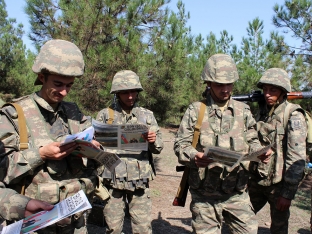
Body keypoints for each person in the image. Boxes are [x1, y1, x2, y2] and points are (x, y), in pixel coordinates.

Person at [0, 39, 101, 233]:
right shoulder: (14, 115)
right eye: (58, 84)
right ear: (41, 77)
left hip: (75, 221)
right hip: (34, 222)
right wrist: (42, 154)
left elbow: (96, 150)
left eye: (69, 85)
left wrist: (93, 150)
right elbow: (3, 168)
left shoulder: (74, 112)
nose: (64, 91)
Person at [174, 53, 271, 234]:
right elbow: (180, 144)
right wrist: (195, 156)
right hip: (205, 196)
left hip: (236, 193)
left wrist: (260, 152)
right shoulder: (196, 110)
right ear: (209, 84)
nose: (225, 89)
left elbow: (252, 139)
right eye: (219, 84)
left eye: (229, 84)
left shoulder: (243, 111)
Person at [96, 70, 163, 234]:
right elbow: (95, 148)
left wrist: (153, 141)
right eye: (125, 92)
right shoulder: (106, 116)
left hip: (139, 180)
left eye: (133, 91)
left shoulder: (147, 116)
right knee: (113, 228)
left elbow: (159, 147)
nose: (130, 96)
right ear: (117, 93)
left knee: (143, 228)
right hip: (112, 180)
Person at [248, 68, 307, 234]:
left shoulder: (293, 115)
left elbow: (297, 157)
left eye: (272, 90)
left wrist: (288, 193)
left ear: (283, 91)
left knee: (279, 229)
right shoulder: (261, 112)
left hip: (279, 186)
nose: (267, 94)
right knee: (241, 221)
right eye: (265, 89)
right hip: (256, 181)